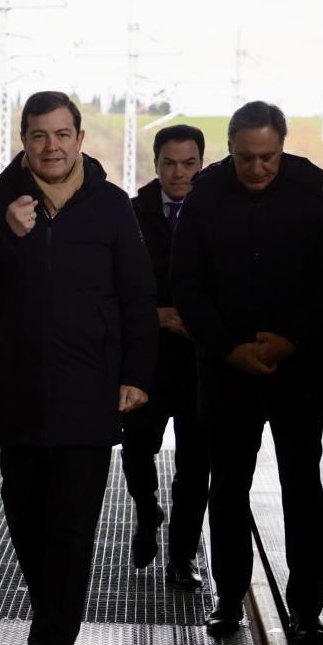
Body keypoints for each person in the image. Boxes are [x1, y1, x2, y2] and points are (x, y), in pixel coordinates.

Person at [0, 91, 157, 645]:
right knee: (26, 516)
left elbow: (137, 297)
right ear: (24, 140)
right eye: (40, 135)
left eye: (63, 134)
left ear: (81, 138)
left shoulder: (113, 207)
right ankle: (48, 612)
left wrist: (137, 375)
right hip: (18, 390)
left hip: (90, 391)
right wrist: (3, 234)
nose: (52, 146)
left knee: (72, 525)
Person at [172, 100, 323, 645]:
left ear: (283, 146)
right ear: (228, 149)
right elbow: (187, 285)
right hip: (228, 371)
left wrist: (290, 341)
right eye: (246, 157)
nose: (257, 168)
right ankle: (229, 598)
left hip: (299, 369)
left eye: (268, 157)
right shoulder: (203, 199)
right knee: (228, 487)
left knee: (303, 489)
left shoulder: (315, 195)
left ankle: (306, 610)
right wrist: (229, 350)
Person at [122, 124, 209, 586]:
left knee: (196, 464)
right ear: (155, 164)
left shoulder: (215, 211)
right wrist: (155, 315)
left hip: (200, 362)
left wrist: (192, 322)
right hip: (145, 358)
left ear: (202, 162)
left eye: (189, 163)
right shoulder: (132, 214)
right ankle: (145, 509)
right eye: (170, 164)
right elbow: (114, 283)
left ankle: (181, 557)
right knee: (136, 449)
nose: (179, 173)